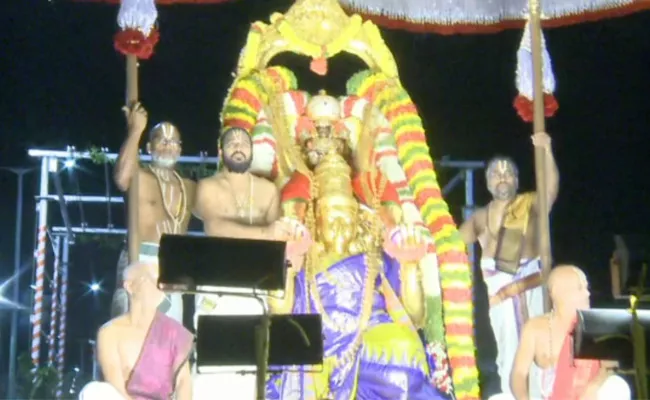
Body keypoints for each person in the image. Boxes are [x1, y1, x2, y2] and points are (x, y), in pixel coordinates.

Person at [192, 126, 292, 399]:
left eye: (244, 143)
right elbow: (215, 227)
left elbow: (277, 241)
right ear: (221, 151)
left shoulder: (269, 191)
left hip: (255, 288)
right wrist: (265, 232)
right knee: (215, 368)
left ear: (252, 150)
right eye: (231, 142)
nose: (238, 146)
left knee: (252, 371)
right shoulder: (207, 186)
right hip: (218, 286)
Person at [459, 131, 559, 395]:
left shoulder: (529, 204)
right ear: (488, 182)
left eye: (508, 173)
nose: (502, 177)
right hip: (499, 301)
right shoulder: (479, 217)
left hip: (529, 289)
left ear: (516, 179)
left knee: (538, 355)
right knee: (507, 356)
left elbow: (550, 190)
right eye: (495, 174)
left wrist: (546, 150)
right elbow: (450, 241)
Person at [112, 103, 196, 323]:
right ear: (149, 147)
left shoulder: (189, 187)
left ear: (180, 149)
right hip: (140, 258)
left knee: (167, 337)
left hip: (171, 265)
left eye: (174, 142)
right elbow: (121, 178)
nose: (168, 146)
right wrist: (135, 130)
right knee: (133, 330)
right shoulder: (139, 177)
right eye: (162, 140)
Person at [509, 265, 630, 400]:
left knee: (617, 386)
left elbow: (610, 367)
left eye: (586, 287)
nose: (587, 293)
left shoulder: (596, 323)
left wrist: (593, 388)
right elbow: (518, 374)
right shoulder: (535, 328)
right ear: (557, 292)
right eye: (580, 288)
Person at [78, 261, 194, 400]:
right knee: (94, 390)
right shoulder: (109, 333)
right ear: (130, 286)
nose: (160, 287)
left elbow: (183, 383)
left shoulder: (174, 332)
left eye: (162, 282)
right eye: (152, 279)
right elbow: (115, 385)